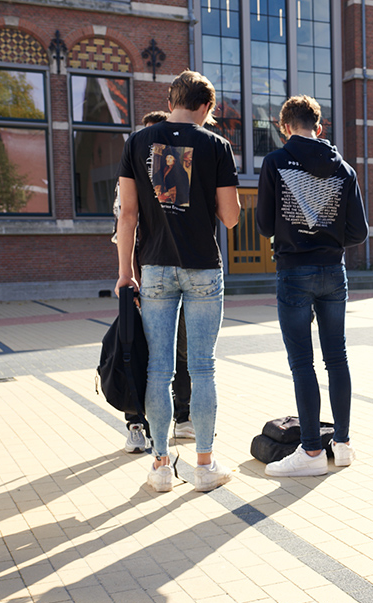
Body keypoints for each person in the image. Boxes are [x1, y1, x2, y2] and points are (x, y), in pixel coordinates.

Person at [114, 70, 241, 493]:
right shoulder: (217, 146)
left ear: (170, 102)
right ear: (206, 107)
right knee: (202, 367)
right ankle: (204, 465)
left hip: (153, 268)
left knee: (158, 369)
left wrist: (125, 274)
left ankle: (161, 466)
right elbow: (231, 217)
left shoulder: (137, 142)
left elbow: (127, 215)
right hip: (203, 266)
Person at [255, 95, 367, 477]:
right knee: (337, 358)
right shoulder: (344, 169)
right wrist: (328, 237)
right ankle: (344, 444)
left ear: (285, 127)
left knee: (302, 362)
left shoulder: (275, 162)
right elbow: (359, 231)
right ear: (319, 128)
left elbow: (264, 226)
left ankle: (312, 451)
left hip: (294, 271)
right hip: (334, 270)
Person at [112, 110, 195, 454]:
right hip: (142, 279)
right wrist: (129, 277)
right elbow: (125, 227)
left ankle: (184, 416)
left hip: (173, 276)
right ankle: (137, 424)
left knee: (182, 351)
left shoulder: (170, 169)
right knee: (138, 352)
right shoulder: (130, 174)